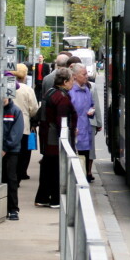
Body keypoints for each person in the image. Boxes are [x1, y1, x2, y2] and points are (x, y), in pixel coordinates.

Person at [35, 67, 77, 208]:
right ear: (65, 81)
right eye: (72, 80)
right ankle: (55, 199)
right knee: (56, 169)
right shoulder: (62, 98)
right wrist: (66, 138)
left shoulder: (49, 92)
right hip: (55, 139)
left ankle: (42, 197)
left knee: (47, 168)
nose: (73, 83)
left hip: (47, 137)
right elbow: (62, 121)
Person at [11, 63, 39, 184]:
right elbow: (34, 109)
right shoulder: (28, 90)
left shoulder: (8, 87)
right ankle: (21, 173)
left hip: (8, 125)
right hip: (24, 125)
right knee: (24, 152)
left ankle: (11, 175)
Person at [69, 63, 96, 182]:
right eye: (84, 74)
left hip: (86, 131)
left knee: (84, 159)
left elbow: (91, 105)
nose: (87, 76)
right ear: (74, 76)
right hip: (75, 132)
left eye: (87, 74)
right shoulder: (70, 92)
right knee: (75, 161)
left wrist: (92, 111)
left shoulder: (86, 90)